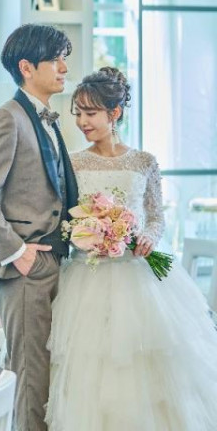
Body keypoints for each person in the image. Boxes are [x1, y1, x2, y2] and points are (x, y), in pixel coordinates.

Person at [45, 67, 217, 431]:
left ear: (115, 112)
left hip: (140, 276)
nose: (82, 122)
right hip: (88, 278)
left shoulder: (144, 162)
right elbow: (63, 217)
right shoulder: (73, 163)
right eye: (77, 113)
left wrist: (150, 236)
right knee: (93, 365)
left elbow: (156, 216)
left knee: (153, 363)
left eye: (90, 113)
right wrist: (85, 234)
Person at [0, 23, 78, 431]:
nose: (64, 68)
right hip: (26, 268)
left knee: (48, 372)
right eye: (56, 60)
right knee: (30, 374)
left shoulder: (46, 119)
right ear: (27, 67)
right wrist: (17, 252)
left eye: (65, 59)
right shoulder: (6, 119)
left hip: (55, 262)